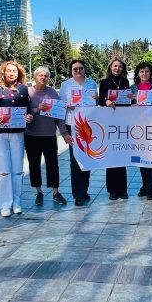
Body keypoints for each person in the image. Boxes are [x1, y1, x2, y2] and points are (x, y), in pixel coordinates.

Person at [0, 61, 33, 217]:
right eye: (8, 70)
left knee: (17, 170)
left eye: (14, 71)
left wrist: (29, 117)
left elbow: (27, 110)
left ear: (18, 73)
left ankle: (16, 202)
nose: (11, 73)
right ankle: (5, 204)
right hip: (1, 134)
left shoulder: (23, 89)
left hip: (17, 133)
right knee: (3, 170)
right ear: (3, 72)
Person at [26, 66, 72, 207]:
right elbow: (24, 112)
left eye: (46, 76)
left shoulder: (52, 92)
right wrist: (36, 109)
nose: (43, 77)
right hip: (31, 135)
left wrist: (64, 133)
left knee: (53, 165)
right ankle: (38, 192)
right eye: (40, 75)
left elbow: (59, 115)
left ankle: (55, 192)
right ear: (35, 77)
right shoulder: (28, 92)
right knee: (34, 165)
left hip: (49, 135)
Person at [59, 59, 98, 206]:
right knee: (75, 160)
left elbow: (95, 104)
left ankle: (84, 190)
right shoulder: (65, 85)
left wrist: (97, 98)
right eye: (75, 69)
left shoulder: (92, 83)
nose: (78, 71)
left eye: (80, 68)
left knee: (87, 158)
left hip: (87, 125)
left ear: (84, 69)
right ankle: (78, 194)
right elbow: (60, 106)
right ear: (71, 71)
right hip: (72, 125)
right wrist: (64, 132)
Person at [98, 57, 131, 200]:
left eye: (120, 66)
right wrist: (106, 101)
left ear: (123, 69)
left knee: (121, 154)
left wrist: (131, 98)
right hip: (109, 121)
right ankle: (112, 190)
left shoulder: (125, 82)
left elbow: (128, 102)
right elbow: (100, 100)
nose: (117, 68)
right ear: (110, 67)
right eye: (115, 66)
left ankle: (122, 189)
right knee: (111, 155)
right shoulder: (104, 82)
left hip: (122, 121)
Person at [130, 61, 152, 200]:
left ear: (151, 73)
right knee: (141, 158)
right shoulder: (132, 88)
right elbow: (128, 105)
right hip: (138, 127)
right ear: (138, 73)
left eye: (147, 71)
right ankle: (144, 186)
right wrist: (132, 105)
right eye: (142, 71)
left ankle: (151, 189)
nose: (144, 74)